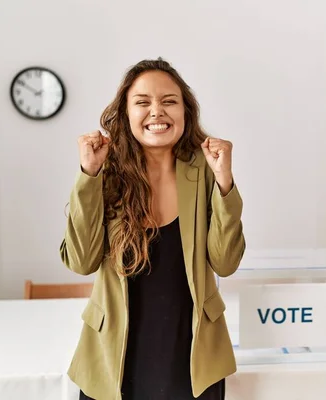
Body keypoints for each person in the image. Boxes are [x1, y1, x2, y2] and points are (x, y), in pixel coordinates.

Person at [60, 58, 246, 400]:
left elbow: (225, 262)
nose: (157, 112)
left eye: (169, 101)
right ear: (126, 114)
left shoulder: (205, 169)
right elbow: (81, 261)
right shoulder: (105, 172)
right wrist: (88, 175)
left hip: (191, 356)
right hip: (114, 356)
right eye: (143, 102)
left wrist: (224, 182)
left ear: (185, 112)